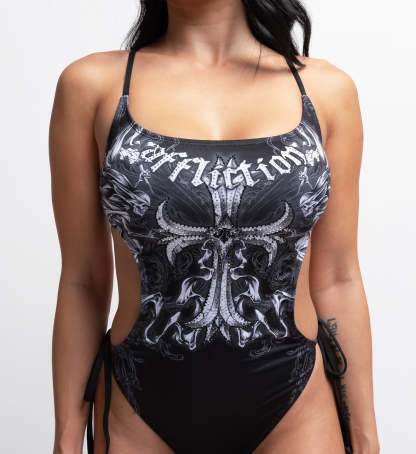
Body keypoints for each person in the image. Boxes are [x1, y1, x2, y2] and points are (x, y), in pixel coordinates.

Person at [49, 1, 379, 453]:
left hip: (296, 408)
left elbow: (339, 277)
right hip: (138, 405)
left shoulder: (326, 91)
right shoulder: (92, 86)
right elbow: (82, 281)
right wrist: (67, 438)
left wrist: (365, 437)